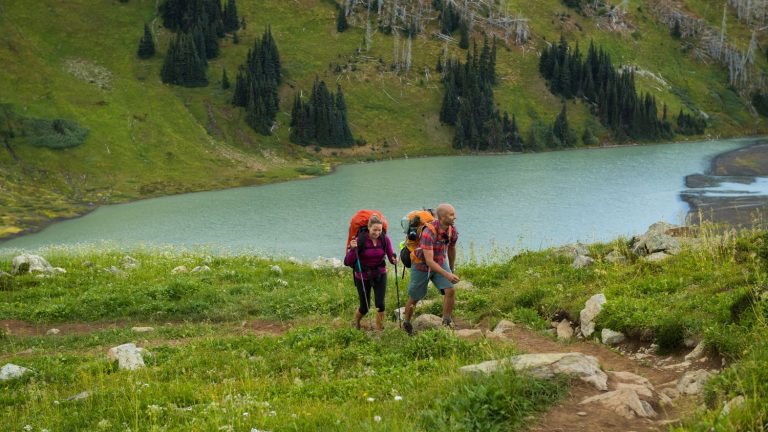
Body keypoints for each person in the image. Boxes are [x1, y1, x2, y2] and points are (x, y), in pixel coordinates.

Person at [402, 203, 460, 335]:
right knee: (415, 297)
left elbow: (451, 248)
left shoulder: (452, 230)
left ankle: (446, 321)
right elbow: (429, 261)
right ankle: (406, 322)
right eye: (451, 215)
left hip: (440, 261)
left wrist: (451, 268)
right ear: (442, 217)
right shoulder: (428, 232)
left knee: (450, 290)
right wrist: (447, 275)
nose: (454, 217)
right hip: (421, 265)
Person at [344, 214, 398, 330]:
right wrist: (353, 249)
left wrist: (394, 260)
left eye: (379, 230)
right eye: (375, 230)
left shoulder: (384, 239)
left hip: (380, 274)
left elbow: (390, 256)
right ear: (369, 227)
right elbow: (348, 262)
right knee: (365, 307)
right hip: (362, 276)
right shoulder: (360, 240)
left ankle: (379, 330)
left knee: (381, 305)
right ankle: (356, 322)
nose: (377, 233)